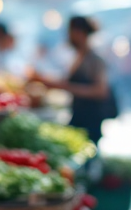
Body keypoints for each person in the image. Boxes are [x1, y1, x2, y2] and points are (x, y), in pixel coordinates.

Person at [35, 15, 113, 144]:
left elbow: (100, 91)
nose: (68, 36)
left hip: (90, 119)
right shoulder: (79, 57)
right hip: (79, 116)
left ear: (79, 32)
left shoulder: (95, 60)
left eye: (69, 32)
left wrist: (65, 87)